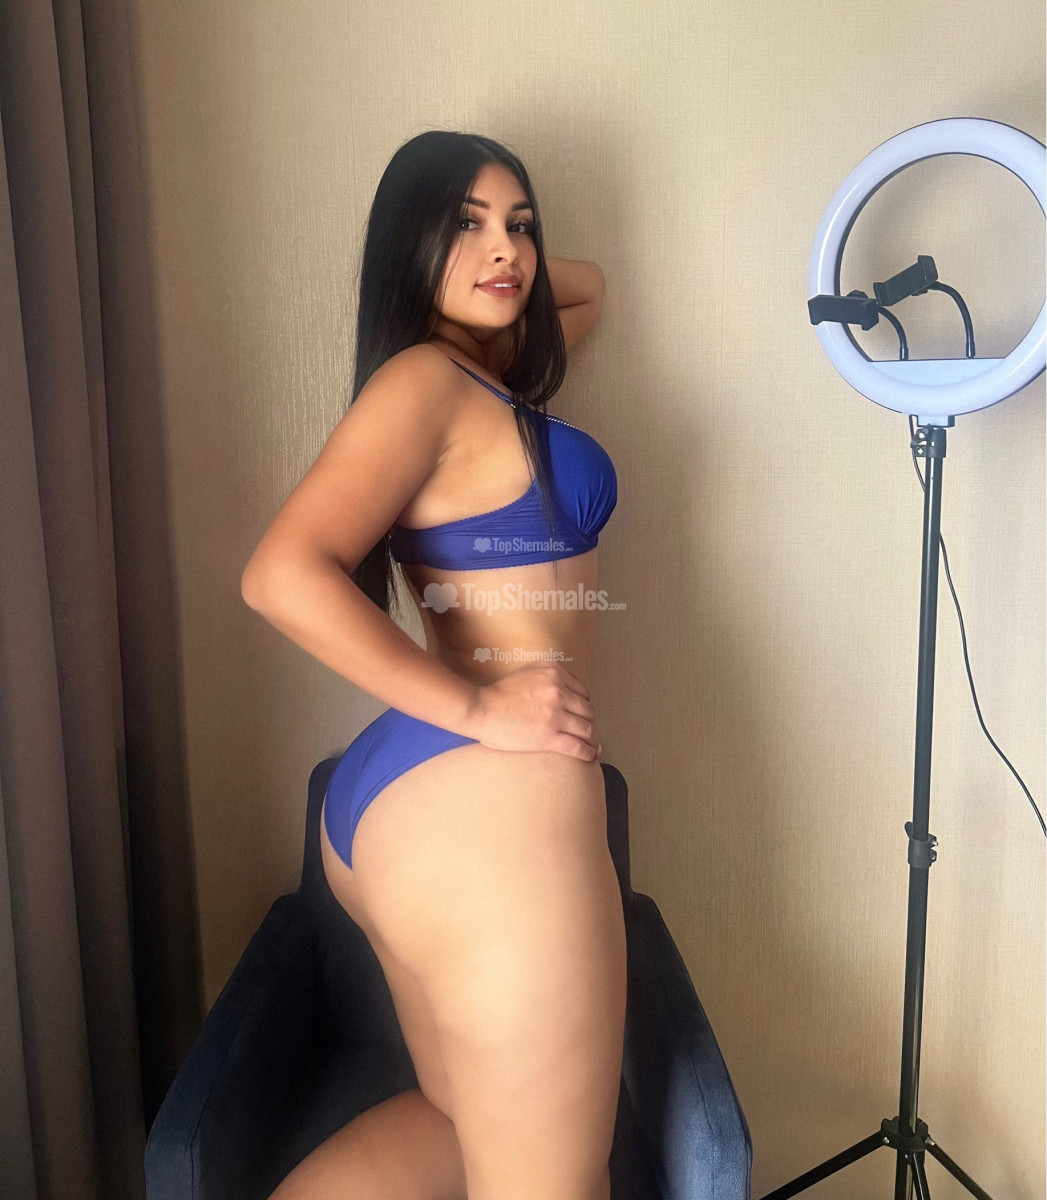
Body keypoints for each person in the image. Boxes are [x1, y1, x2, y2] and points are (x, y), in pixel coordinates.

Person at [241, 128, 626, 1200]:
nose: (507, 249)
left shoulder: (482, 380)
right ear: (410, 241)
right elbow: (280, 575)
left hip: (414, 800)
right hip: (486, 792)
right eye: (466, 222)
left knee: (462, 1125)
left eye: (521, 225)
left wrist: (495, 260)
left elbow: (590, 290)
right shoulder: (425, 382)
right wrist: (484, 712)